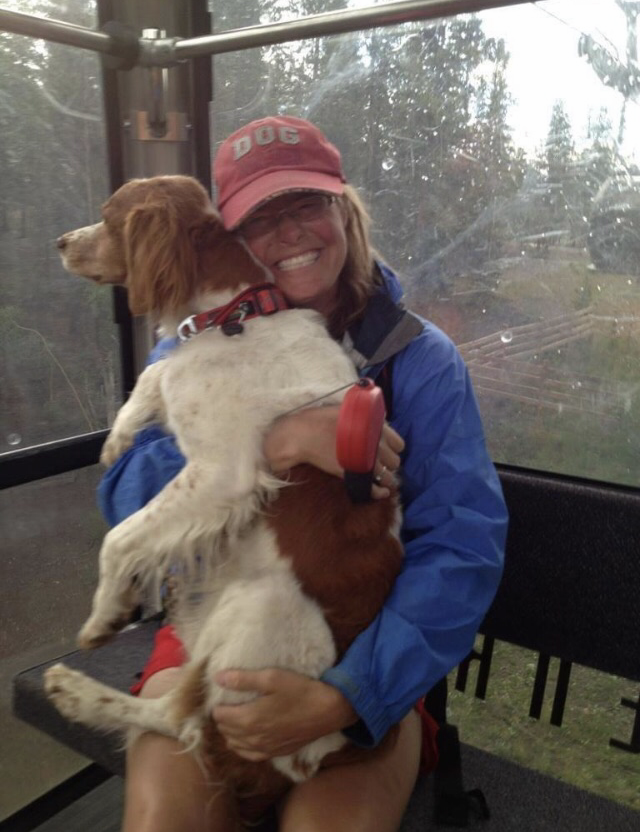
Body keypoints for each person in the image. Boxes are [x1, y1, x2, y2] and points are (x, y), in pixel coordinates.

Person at [100, 115, 508, 832]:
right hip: (215, 627)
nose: (289, 233)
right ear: (232, 238)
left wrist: (350, 696)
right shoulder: (198, 338)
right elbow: (124, 489)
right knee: (164, 819)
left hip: (361, 648)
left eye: (307, 204)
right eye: (261, 218)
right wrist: (273, 444)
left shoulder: (419, 360)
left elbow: (461, 544)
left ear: (343, 208)